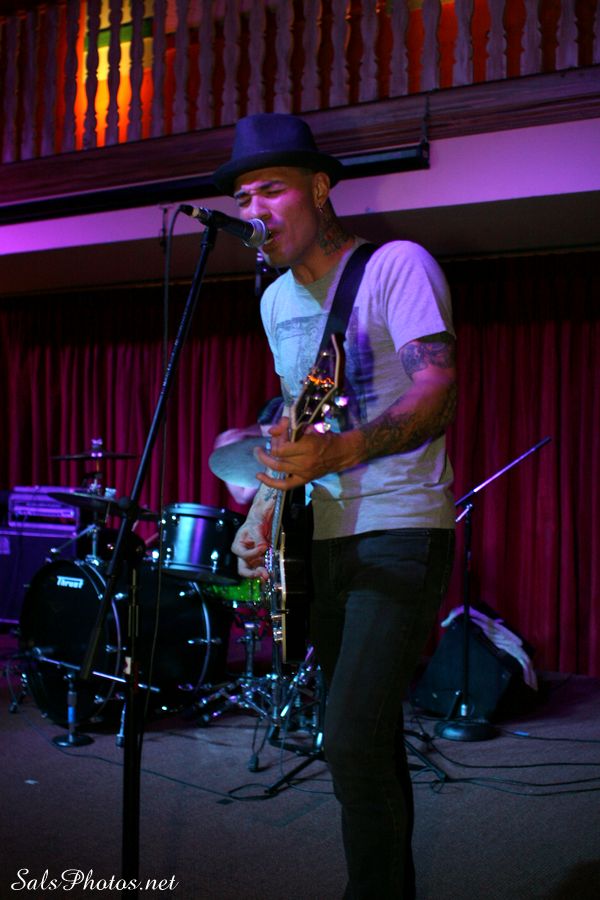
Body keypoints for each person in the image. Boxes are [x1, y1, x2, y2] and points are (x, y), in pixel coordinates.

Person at [214, 113, 456, 899]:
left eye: (271, 190)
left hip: (401, 527)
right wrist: (260, 516)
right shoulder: (275, 301)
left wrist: (343, 452)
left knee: (348, 736)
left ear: (320, 188)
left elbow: (437, 389)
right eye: (243, 197)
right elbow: (296, 423)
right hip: (321, 538)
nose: (254, 209)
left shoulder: (395, 265)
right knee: (366, 737)